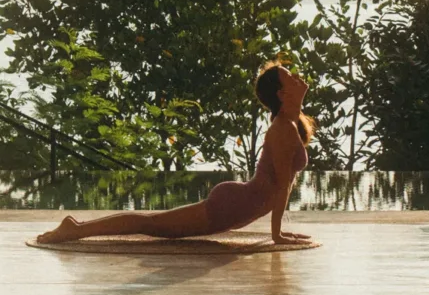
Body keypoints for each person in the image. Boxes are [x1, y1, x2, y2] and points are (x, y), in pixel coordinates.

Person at [35, 62, 316, 248]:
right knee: (151, 224)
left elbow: (282, 183)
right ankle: (75, 229)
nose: (297, 77)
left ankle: (77, 227)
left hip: (239, 206)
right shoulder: (283, 129)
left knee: (153, 223)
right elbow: (282, 186)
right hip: (232, 205)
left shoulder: (290, 124)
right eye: (290, 77)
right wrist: (277, 234)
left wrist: (278, 231)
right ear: (282, 93)